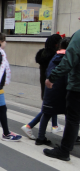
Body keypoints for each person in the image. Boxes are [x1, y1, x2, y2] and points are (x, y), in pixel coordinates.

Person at [44, 28, 80, 161]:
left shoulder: (79, 35)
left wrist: (52, 77)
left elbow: (68, 60)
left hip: (78, 86)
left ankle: (64, 151)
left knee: (73, 119)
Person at [21, 34, 63, 139]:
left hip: (44, 84)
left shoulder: (43, 54)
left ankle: (54, 125)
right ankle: (29, 125)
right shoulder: (55, 56)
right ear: (56, 44)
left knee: (51, 106)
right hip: (51, 84)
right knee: (48, 108)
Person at [35, 37, 71, 146]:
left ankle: (40, 137)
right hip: (63, 92)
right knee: (71, 115)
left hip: (50, 90)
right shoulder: (67, 59)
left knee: (47, 113)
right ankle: (70, 138)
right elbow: (67, 77)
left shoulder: (54, 57)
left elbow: (47, 73)